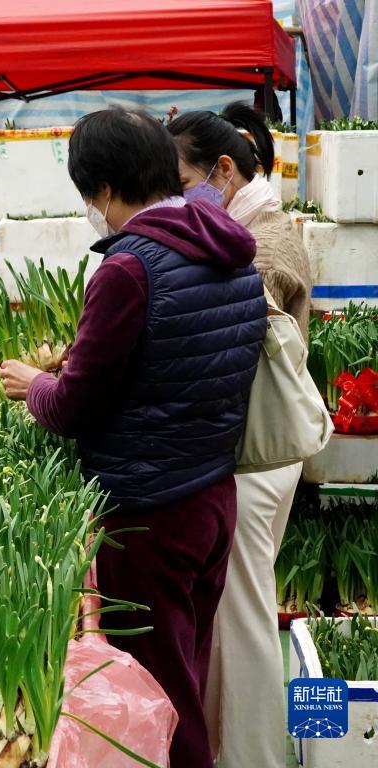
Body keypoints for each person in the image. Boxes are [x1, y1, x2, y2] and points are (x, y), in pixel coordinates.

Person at [0, 108, 267, 768]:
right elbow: (179, 365)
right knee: (187, 671)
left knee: (158, 693)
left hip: (148, 513)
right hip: (211, 497)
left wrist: (32, 383)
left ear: (107, 191)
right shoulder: (230, 251)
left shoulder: (127, 270)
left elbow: (73, 408)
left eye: (91, 195)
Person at [169, 103, 313, 768]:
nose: (176, 200)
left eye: (182, 182)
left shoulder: (269, 237)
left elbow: (250, 297)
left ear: (222, 170)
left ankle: (255, 757)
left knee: (248, 617)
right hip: (248, 455)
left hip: (257, 459)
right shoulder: (245, 222)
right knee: (231, 616)